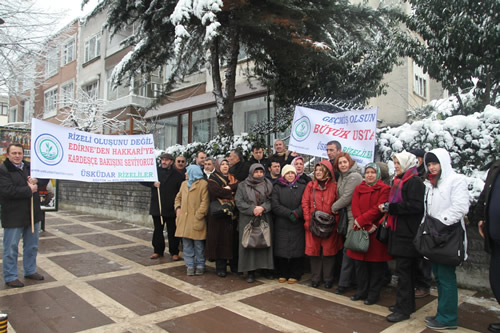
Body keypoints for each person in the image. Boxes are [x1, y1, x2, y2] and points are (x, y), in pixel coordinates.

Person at [422, 148, 469, 330]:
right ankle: (442, 314)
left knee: (446, 277)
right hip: (434, 236)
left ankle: (448, 318)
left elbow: (460, 207)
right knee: (439, 278)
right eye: (429, 164)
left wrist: (439, 224)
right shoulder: (431, 183)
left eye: (435, 163)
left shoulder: (456, 181)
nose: (432, 167)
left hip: (448, 236)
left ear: (444, 163)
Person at [380, 151, 425, 323]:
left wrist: (392, 208)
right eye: (395, 163)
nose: (396, 166)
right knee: (404, 271)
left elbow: (415, 206)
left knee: (405, 273)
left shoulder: (413, 182)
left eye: (398, 163)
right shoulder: (401, 180)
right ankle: (406, 304)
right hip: (400, 232)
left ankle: (403, 309)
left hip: (407, 233)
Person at [0, 143, 48, 288]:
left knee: (32, 245)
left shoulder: (30, 167)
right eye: (14, 153)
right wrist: (29, 189)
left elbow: (45, 178)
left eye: (19, 153)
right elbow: (7, 191)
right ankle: (10, 276)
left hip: (32, 213)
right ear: (7, 155)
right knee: (11, 247)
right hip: (14, 214)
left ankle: (30, 270)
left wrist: (37, 181)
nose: (17, 156)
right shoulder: (3, 170)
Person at [347, 163, 391, 305]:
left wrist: (364, 222)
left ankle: (373, 294)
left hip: (375, 231)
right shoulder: (359, 188)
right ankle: (361, 291)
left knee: (375, 266)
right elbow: (355, 207)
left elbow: (378, 209)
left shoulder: (384, 189)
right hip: (362, 229)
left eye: (372, 172)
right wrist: (363, 223)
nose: (370, 175)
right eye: (367, 172)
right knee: (360, 265)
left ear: (377, 174)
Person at [302, 160, 343, 289]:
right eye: (317, 170)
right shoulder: (310, 185)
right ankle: (315, 278)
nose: (318, 172)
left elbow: (338, 204)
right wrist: (308, 221)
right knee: (314, 252)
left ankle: (328, 279)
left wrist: (335, 221)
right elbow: (305, 203)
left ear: (327, 172)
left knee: (329, 253)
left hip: (329, 225)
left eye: (321, 170)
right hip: (314, 224)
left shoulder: (334, 186)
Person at [235, 163, 274, 283]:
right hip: (248, 219)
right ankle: (250, 271)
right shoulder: (242, 185)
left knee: (264, 243)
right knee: (249, 245)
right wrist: (253, 209)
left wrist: (262, 208)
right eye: (256, 172)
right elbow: (239, 201)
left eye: (261, 172)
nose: (259, 174)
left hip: (264, 217)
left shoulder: (268, 184)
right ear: (251, 172)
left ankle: (265, 269)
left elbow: (272, 200)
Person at [141, 153, 184, 260]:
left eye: (166, 160)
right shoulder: (154, 172)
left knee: (172, 230)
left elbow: (182, 190)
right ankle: (158, 250)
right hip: (158, 206)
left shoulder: (177, 175)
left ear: (171, 161)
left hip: (171, 207)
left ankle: (174, 251)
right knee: (158, 230)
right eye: (162, 160)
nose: (164, 162)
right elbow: (141, 178)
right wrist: (152, 183)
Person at [331, 152, 363, 294]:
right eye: (340, 163)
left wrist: (332, 207)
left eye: (345, 162)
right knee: (349, 250)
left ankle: (344, 284)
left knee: (349, 249)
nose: (343, 165)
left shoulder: (354, 176)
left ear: (350, 162)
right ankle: (352, 281)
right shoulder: (343, 176)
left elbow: (346, 197)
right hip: (347, 216)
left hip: (354, 217)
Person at [475, 159, 500, 333]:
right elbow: (486, 195)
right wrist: (480, 218)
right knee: (496, 281)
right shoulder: (496, 168)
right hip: (496, 239)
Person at [271, 165, 306, 284]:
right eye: (288, 173)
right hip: (282, 222)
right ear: (283, 175)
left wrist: (297, 213)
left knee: (297, 248)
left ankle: (295, 273)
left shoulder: (302, 187)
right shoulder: (277, 187)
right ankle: (282, 273)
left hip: (297, 222)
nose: (290, 175)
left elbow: (305, 203)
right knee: (282, 249)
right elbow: (275, 205)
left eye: (292, 173)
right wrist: (288, 213)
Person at [205, 158, 238, 277]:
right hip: (218, 215)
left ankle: (234, 266)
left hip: (231, 215)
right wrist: (230, 190)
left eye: (227, 164)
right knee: (220, 241)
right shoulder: (213, 178)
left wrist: (227, 189)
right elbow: (215, 191)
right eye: (222, 164)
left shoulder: (233, 177)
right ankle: (220, 267)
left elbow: (237, 187)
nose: (225, 166)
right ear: (218, 166)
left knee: (232, 241)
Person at [174, 165, 210, 276]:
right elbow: (178, 198)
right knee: (187, 245)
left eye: (187, 172)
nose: (185, 174)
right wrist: (178, 209)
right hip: (184, 220)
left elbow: (205, 202)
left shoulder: (203, 184)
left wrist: (198, 215)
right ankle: (189, 265)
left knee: (198, 245)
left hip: (196, 220)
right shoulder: (184, 184)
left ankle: (200, 265)